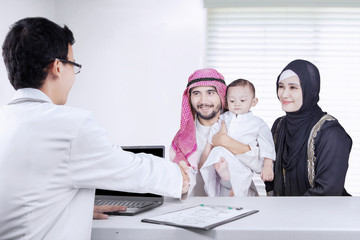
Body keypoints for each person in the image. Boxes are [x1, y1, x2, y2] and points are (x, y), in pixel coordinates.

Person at [0, 17, 189, 240]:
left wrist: (65, 206)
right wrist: (179, 176)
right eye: (73, 65)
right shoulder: (70, 125)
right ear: (58, 67)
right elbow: (129, 170)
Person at [265, 59, 352, 196]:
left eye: (293, 87)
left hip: (324, 214)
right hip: (284, 213)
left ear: (310, 90)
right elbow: (270, 174)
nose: (284, 94)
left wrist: (290, 214)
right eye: (281, 86)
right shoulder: (279, 126)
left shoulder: (330, 133)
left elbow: (328, 190)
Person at [170, 68, 255, 198]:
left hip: (243, 205)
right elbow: (181, 184)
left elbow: (261, 164)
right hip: (199, 210)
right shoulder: (181, 140)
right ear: (190, 98)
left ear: (222, 96)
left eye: (210, 93)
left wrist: (226, 141)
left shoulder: (244, 126)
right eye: (197, 93)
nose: (203, 101)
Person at [199, 79, 275, 197]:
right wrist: (204, 161)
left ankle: (234, 189)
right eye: (232, 101)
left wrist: (268, 166)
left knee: (242, 177)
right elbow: (212, 139)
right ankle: (224, 178)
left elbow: (267, 145)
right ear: (227, 103)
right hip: (225, 157)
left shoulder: (258, 123)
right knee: (217, 152)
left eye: (242, 100)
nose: (237, 104)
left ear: (253, 102)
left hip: (244, 160)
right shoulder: (224, 118)